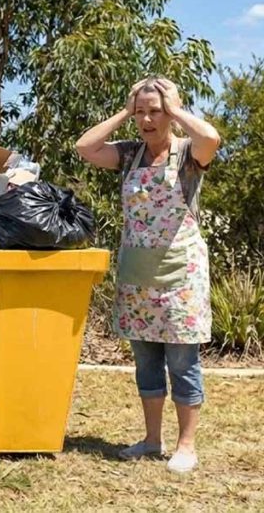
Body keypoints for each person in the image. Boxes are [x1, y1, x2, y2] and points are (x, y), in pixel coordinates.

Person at [75, 77, 221, 473]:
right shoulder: (128, 155)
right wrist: (124, 110)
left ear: (170, 112)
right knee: (147, 364)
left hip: (180, 277)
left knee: (182, 363)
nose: (147, 119)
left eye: (155, 110)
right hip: (138, 275)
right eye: (141, 111)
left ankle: (186, 445)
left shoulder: (189, 153)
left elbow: (212, 137)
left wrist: (174, 111)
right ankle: (152, 439)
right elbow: (85, 148)